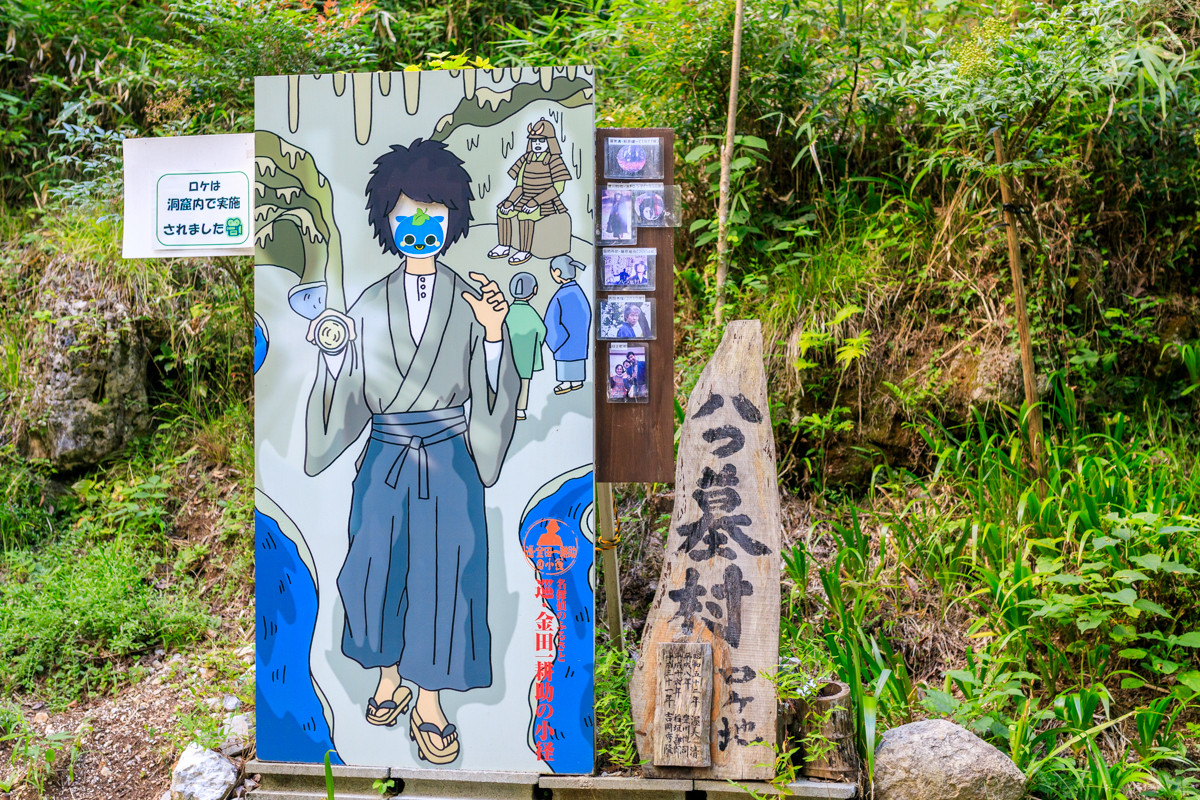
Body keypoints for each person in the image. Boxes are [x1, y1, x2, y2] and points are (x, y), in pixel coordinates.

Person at [302, 138, 518, 766]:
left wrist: (495, 331)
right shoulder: (369, 302)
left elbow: (490, 386)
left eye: (432, 215)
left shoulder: (470, 300)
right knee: (376, 568)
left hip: (450, 457)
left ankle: (428, 699)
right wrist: (334, 351)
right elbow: (347, 387)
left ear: (453, 221)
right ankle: (389, 670)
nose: (418, 228)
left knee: (446, 576)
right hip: (387, 456)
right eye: (405, 215)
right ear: (386, 220)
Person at [489, 118, 572, 266]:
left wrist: (535, 202)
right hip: (525, 197)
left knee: (525, 215)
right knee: (503, 211)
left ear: (549, 141)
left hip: (546, 201)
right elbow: (520, 185)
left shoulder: (554, 160)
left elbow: (558, 188)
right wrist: (509, 202)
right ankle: (504, 245)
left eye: (541, 141)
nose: (537, 144)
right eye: (534, 141)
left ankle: (524, 250)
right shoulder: (526, 159)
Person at [544, 255, 591, 395]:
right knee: (577, 357)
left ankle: (565, 382)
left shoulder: (561, 294)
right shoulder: (578, 292)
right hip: (578, 337)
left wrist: (557, 339)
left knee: (565, 358)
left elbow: (551, 320)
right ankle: (577, 381)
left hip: (564, 338)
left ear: (557, 272)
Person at [505, 272, 546, 420]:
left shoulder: (507, 312)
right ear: (534, 291)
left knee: (506, 381)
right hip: (526, 357)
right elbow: (542, 331)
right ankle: (520, 410)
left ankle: (506, 407)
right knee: (523, 383)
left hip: (507, 356)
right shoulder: (531, 313)